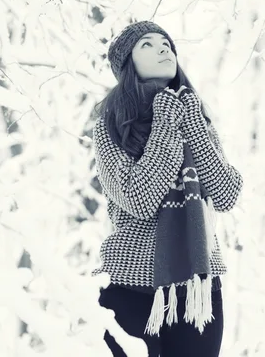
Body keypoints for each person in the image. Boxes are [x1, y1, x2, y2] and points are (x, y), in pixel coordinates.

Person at [91, 20, 243, 357]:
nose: (163, 49)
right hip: (131, 286)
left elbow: (226, 193)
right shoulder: (110, 125)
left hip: (199, 286)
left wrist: (192, 125)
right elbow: (139, 198)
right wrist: (165, 123)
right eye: (147, 44)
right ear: (127, 64)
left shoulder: (195, 118)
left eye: (166, 44)